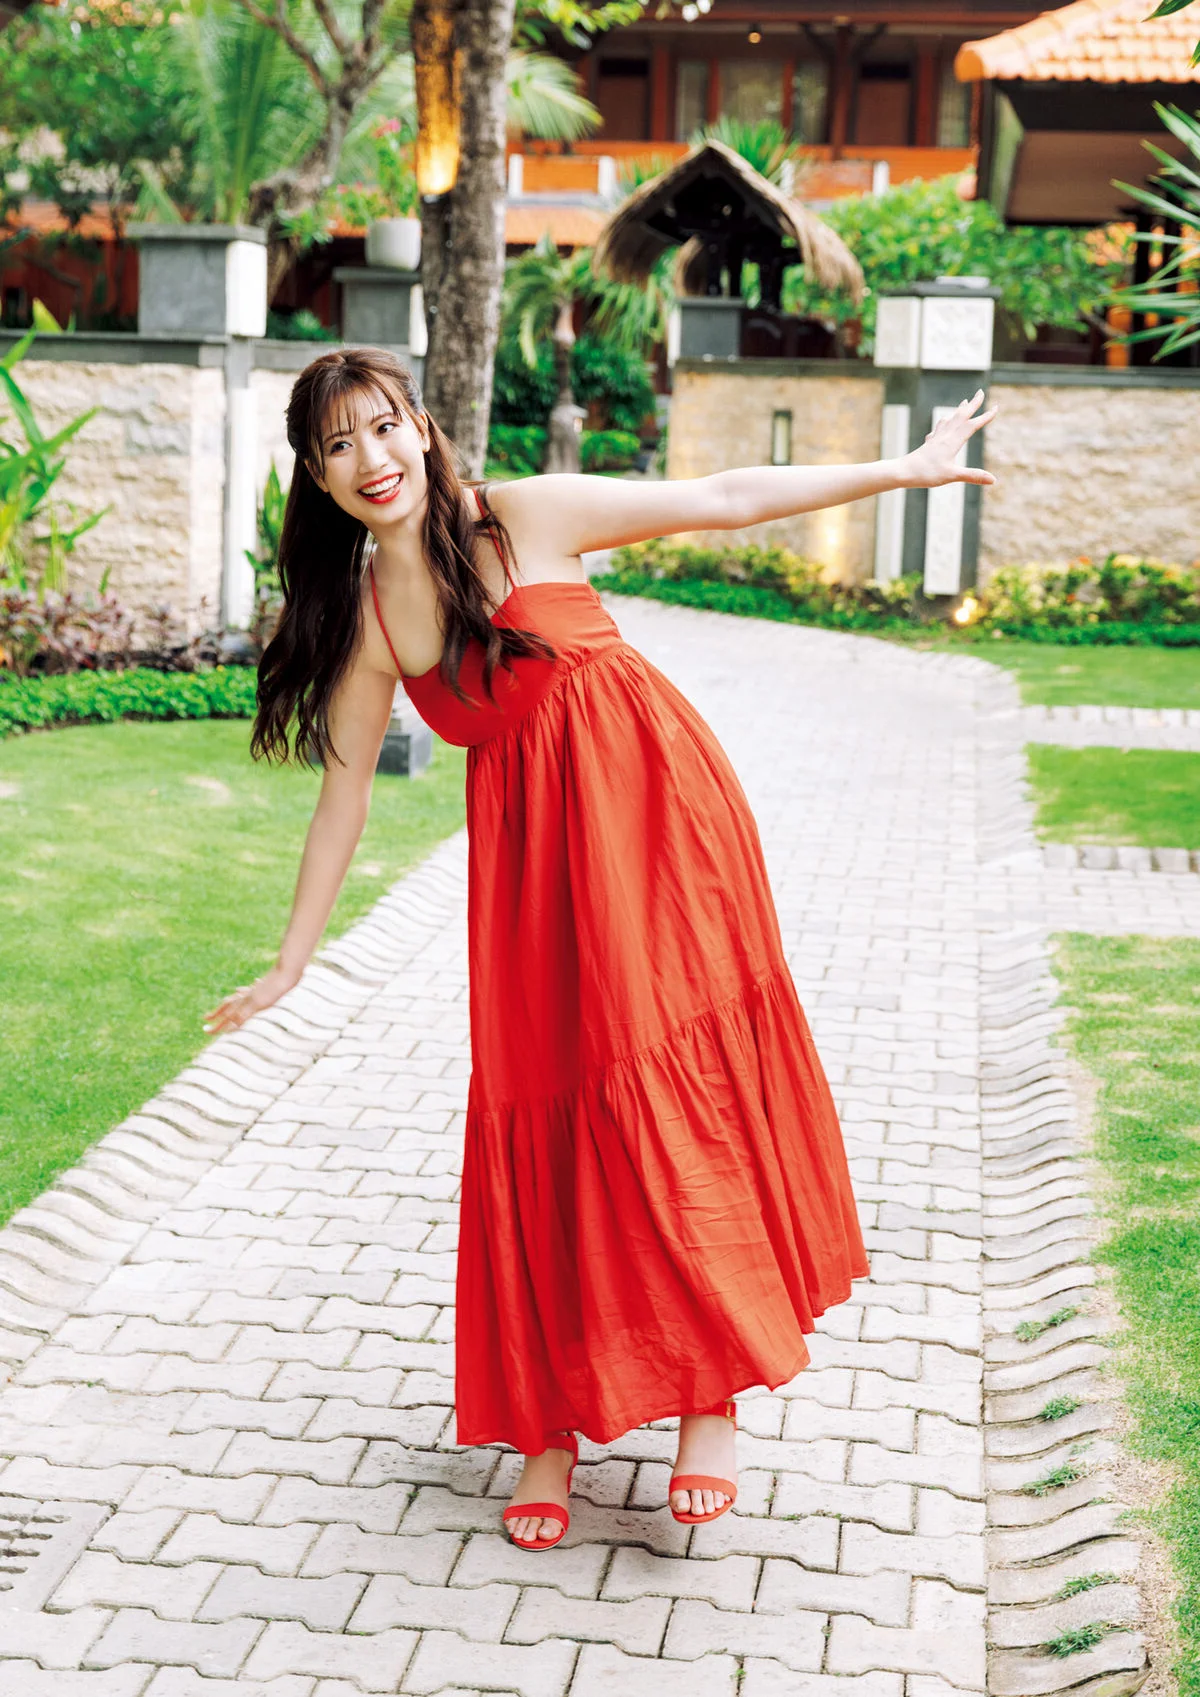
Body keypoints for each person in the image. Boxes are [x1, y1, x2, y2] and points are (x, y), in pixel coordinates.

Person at [205, 346, 998, 1551]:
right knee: (549, 1117)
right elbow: (344, 794)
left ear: (423, 427)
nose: (371, 458)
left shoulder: (524, 515)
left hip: (657, 825)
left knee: (672, 1104)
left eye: (384, 426)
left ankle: (709, 1397)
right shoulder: (371, 614)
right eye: (338, 445)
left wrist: (906, 469)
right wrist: (292, 959)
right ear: (316, 477)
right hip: (532, 881)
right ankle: (550, 1424)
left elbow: (723, 495)